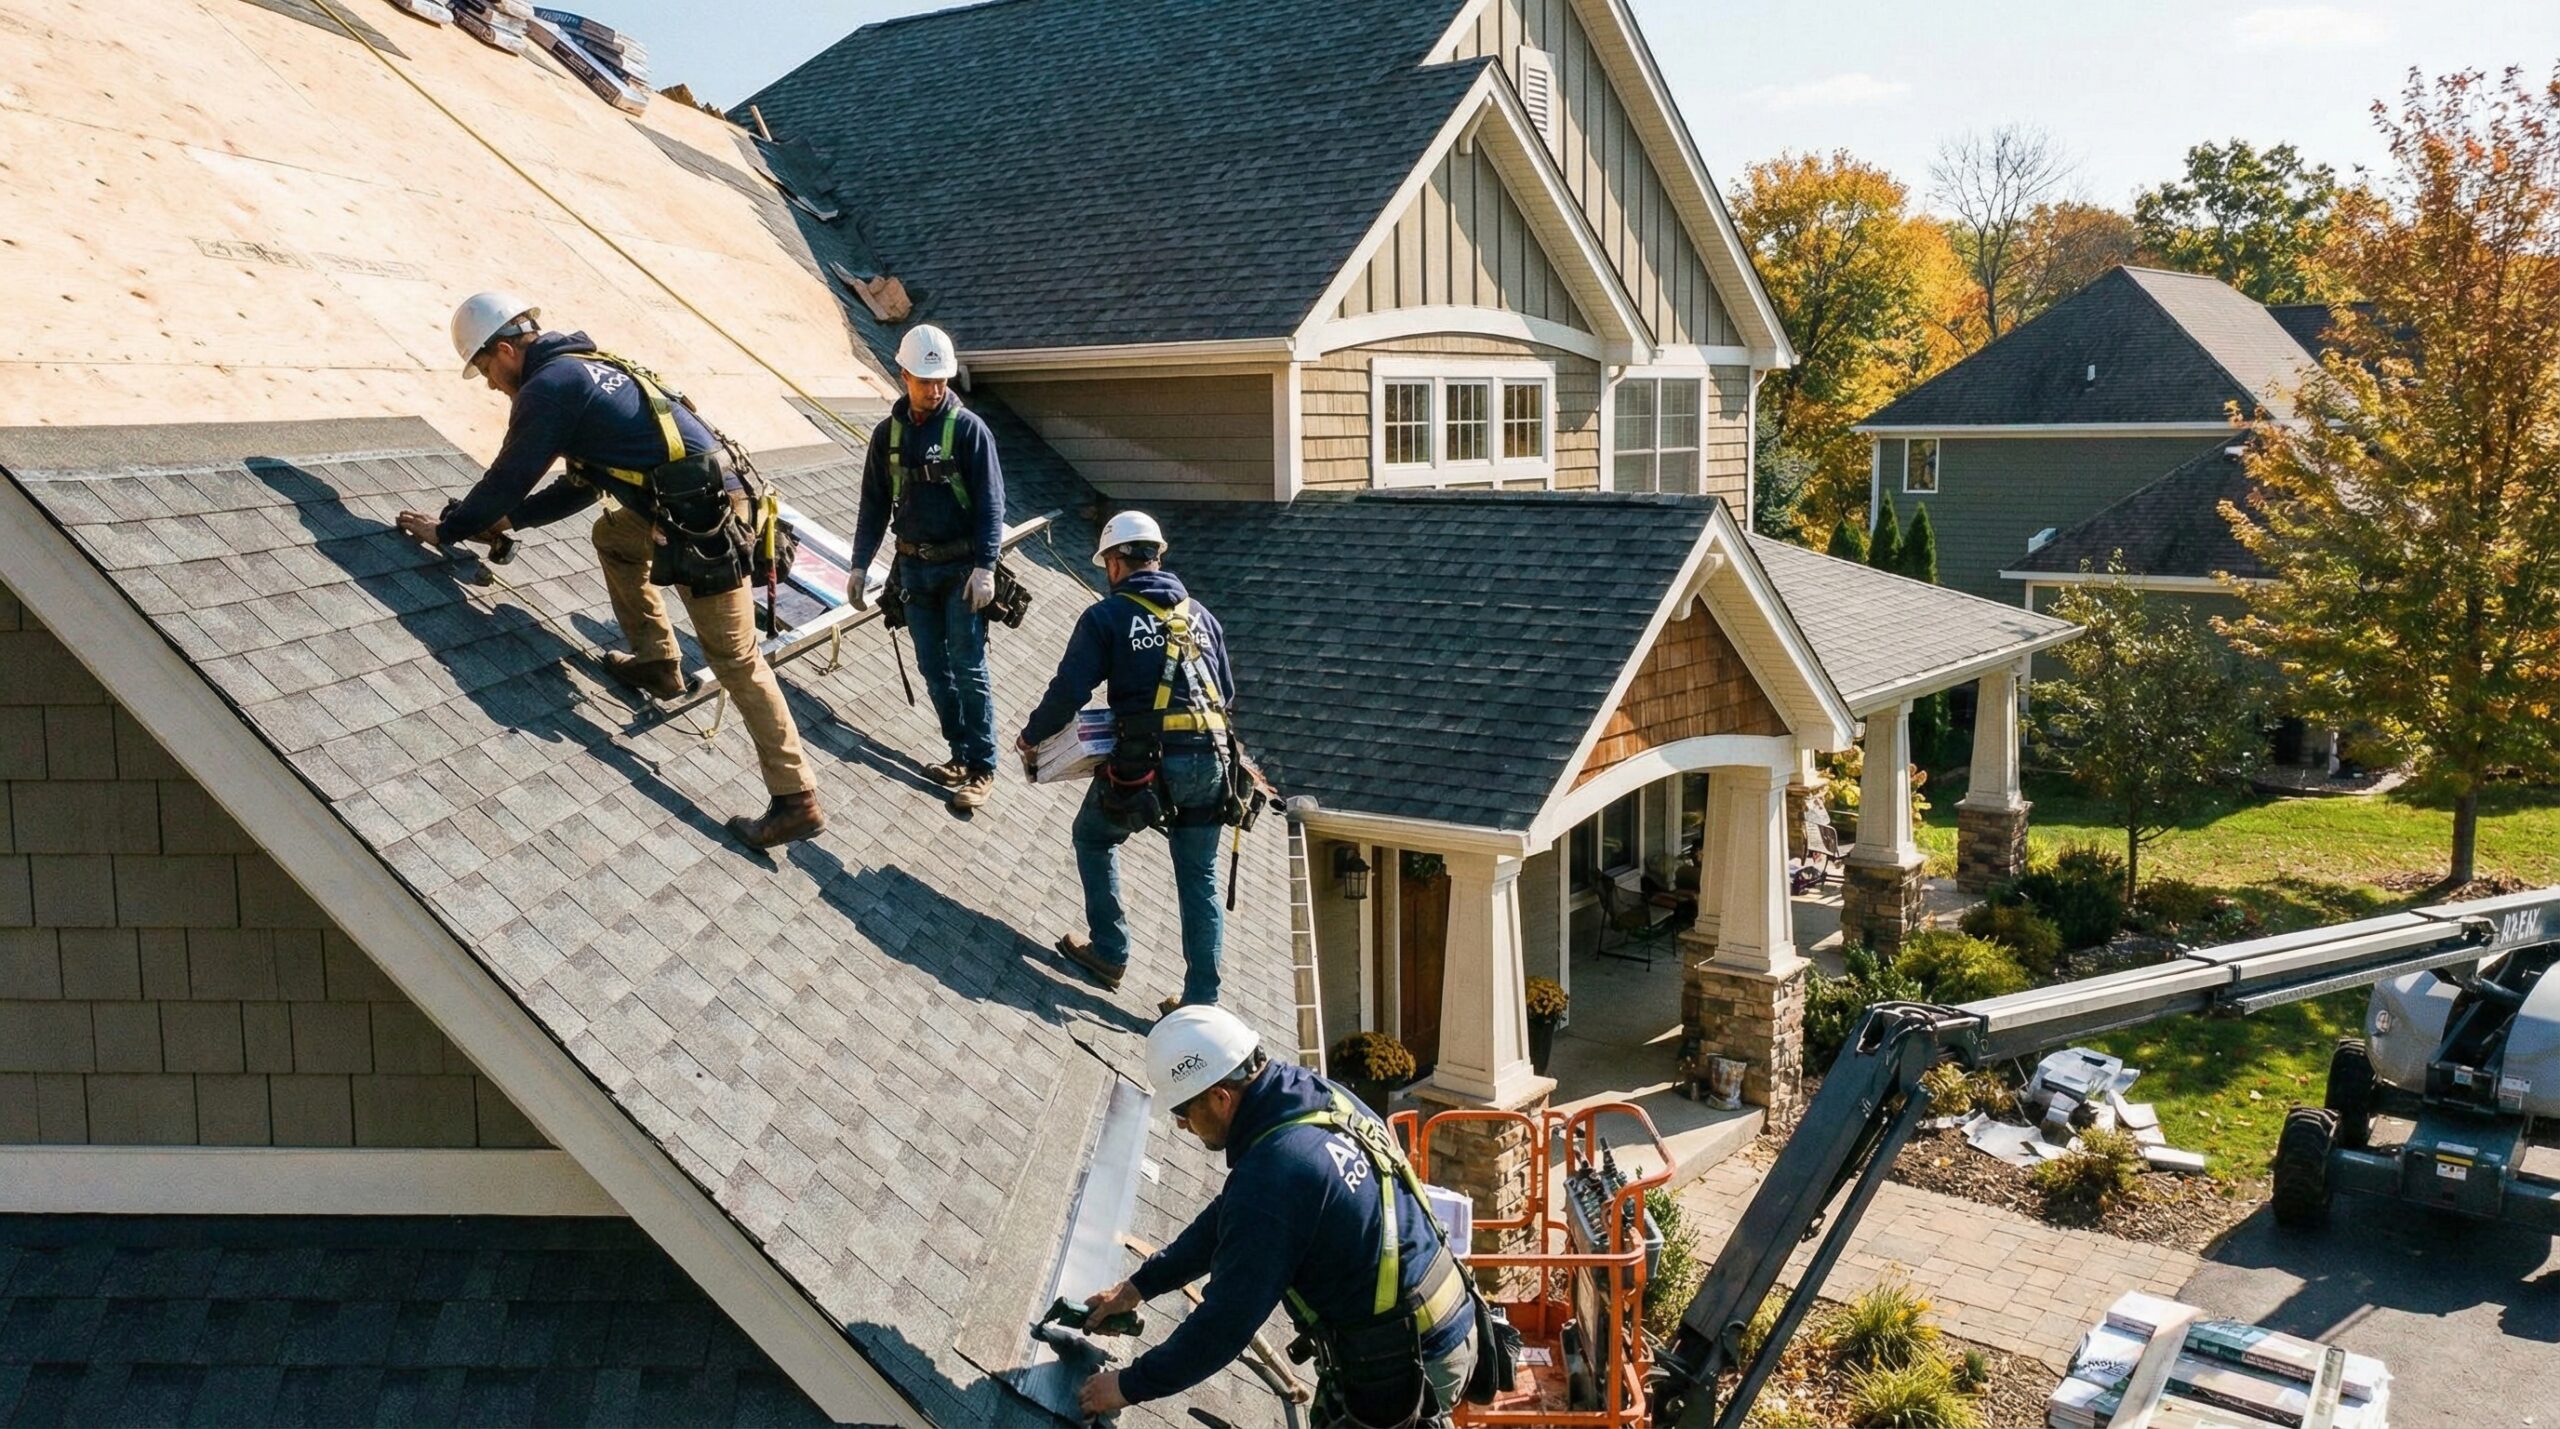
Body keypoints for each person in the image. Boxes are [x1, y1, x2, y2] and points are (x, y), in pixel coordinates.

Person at [395, 292, 823, 850]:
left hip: (706, 524)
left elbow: (508, 477)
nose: (492, 386)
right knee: (615, 537)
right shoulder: (585, 369)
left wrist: (449, 530)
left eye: (486, 372)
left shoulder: (550, 388)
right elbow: (581, 487)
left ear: (504, 351)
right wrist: (507, 520)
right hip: (694, 505)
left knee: (736, 659)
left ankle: (795, 799)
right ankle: (658, 662)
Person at [1076, 1007, 1477, 1427]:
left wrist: (1128, 1385)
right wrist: (1141, 1286)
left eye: (1182, 1112)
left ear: (1220, 1098)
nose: (1181, 1126)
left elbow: (1225, 1323)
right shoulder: (1307, 1093)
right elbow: (1232, 1218)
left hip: (1412, 1362)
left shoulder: (1277, 1173)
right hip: (1441, 1316)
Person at [1018, 511, 1237, 1013]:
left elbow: (1069, 690)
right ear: (1157, 557)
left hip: (1150, 763)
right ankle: (1201, 1005)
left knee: (1094, 836)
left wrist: (1032, 736)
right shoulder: (1202, 616)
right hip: (1215, 762)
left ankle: (1110, 951)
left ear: (1115, 563)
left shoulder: (1108, 617)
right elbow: (1225, 694)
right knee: (1199, 876)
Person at [847, 324, 1007, 813]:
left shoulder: (968, 430)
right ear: (904, 376)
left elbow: (991, 504)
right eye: (925, 380)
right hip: (914, 570)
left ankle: (982, 767)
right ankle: (959, 754)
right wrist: (859, 565)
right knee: (933, 668)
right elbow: (874, 504)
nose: (935, 390)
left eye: (941, 380)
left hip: (961, 571)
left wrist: (986, 566)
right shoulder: (887, 436)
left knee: (968, 666)